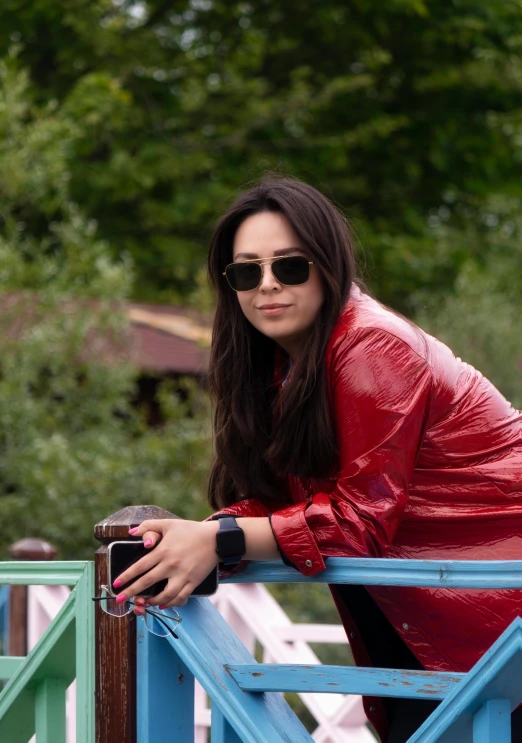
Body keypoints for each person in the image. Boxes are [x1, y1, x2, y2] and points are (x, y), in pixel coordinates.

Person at [112, 176, 522, 742]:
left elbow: (360, 520)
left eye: (290, 266)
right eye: (247, 272)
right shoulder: (285, 367)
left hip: (500, 627)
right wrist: (192, 539)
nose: (268, 286)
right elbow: (288, 504)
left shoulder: (376, 349)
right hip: (429, 623)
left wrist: (218, 540)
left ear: (329, 266)